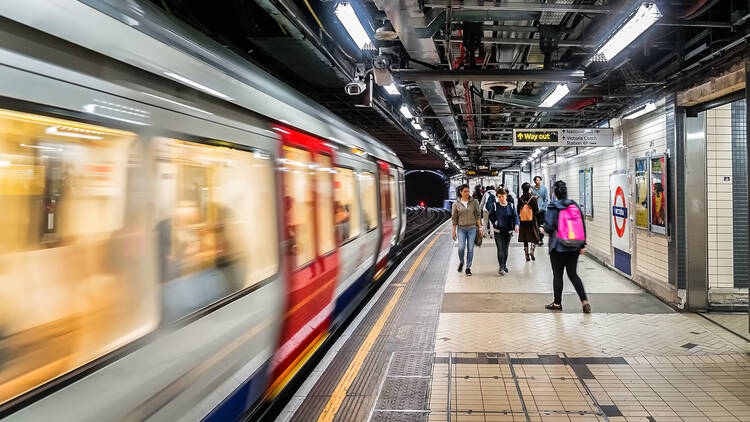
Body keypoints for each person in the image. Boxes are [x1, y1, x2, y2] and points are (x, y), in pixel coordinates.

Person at [542, 180, 591, 313]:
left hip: (558, 247)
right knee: (573, 274)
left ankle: (557, 304)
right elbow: (581, 224)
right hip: (574, 246)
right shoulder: (574, 205)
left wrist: (543, 230)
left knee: (558, 275)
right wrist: (582, 244)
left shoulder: (553, 207)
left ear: (555, 193)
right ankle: (584, 301)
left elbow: (549, 227)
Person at [452, 184, 482, 276]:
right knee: (461, 248)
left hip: (472, 228)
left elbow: (478, 216)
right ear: (460, 192)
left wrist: (480, 228)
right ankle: (461, 262)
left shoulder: (474, 202)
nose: (467, 193)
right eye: (465, 191)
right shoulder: (456, 204)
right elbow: (454, 218)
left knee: (470, 249)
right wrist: (453, 231)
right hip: (461, 229)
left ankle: (468, 268)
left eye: (468, 191)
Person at [489, 188, 519, 275]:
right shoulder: (495, 205)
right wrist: (495, 222)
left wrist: (517, 224)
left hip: (508, 230)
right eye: (499, 197)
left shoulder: (511, 205)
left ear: (506, 196)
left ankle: (504, 265)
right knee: (500, 249)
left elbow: (515, 216)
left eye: (502, 196)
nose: (501, 198)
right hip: (498, 231)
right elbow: (491, 216)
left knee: (505, 249)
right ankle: (501, 267)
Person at [517, 182, 540, 261]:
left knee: (525, 238)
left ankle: (526, 254)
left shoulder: (520, 199)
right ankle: (532, 251)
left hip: (523, 221)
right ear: (529, 189)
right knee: (534, 236)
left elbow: (517, 210)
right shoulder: (533, 198)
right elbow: (536, 211)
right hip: (532, 220)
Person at [531, 176, 549, 246]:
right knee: (535, 225)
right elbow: (530, 198)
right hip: (534, 210)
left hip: (542, 210)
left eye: (539, 180)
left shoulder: (544, 189)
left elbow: (546, 199)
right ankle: (536, 238)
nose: (538, 181)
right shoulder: (532, 189)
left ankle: (540, 239)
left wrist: (544, 207)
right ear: (534, 181)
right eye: (536, 180)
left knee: (541, 225)